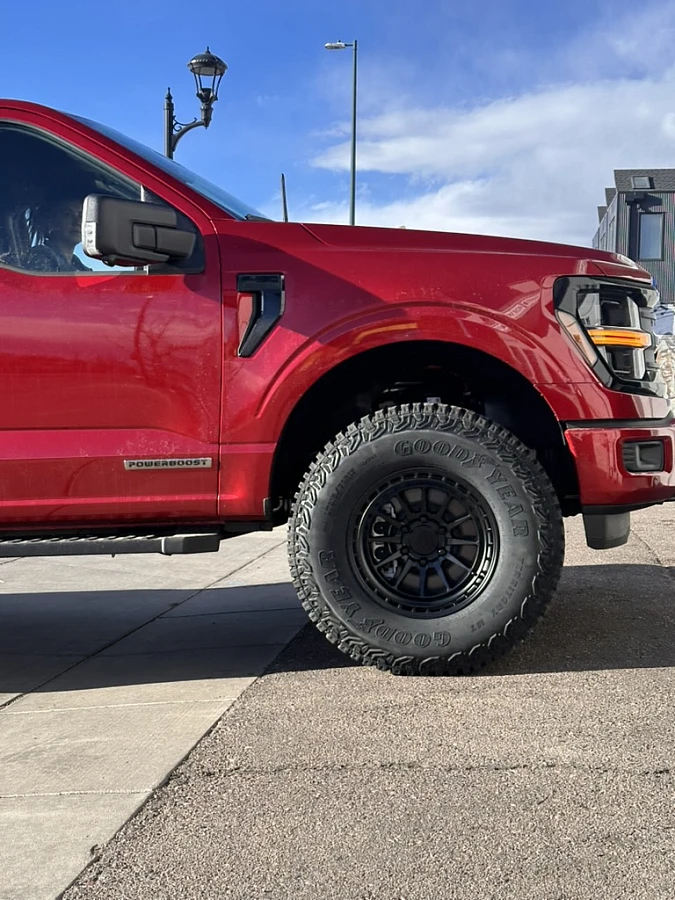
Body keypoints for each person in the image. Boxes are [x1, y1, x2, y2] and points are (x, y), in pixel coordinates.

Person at [25, 196, 91, 273]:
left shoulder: (79, 266)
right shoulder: (40, 257)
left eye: (81, 216)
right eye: (67, 214)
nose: (77, 222)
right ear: (51, 223)